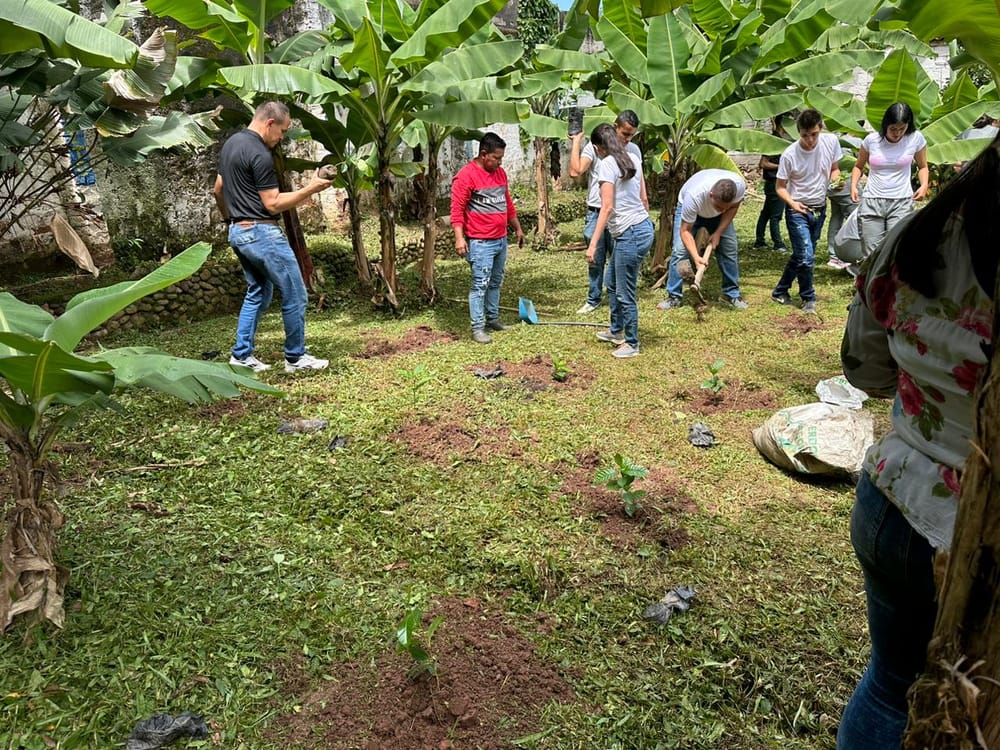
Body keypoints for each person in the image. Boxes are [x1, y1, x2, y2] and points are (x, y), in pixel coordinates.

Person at [836, 130, 1000, 750]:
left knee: (891, 682)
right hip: (967, 528)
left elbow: (866, 370)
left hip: (898, 499)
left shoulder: (920, 235)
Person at [214, 100, 332, 374]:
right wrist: (311, 188)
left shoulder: (231, 145)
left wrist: (231, 220)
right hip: (262, 232)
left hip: (238, 232)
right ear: (269, 123)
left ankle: (241, 356)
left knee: (258, 292)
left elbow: (218, 189)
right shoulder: (259, 153)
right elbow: (273, 203)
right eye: (282, 131)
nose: (281, 138)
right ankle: (296, 357)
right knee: (295, 293)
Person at [585, 124, 654, 359]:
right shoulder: (632, 156)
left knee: (625, 291)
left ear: (596, 148)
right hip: (642, 227)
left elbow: (607, 207)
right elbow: (644, 197)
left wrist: (593, 244)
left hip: (630, 233)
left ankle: (632, 343)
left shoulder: (606, 164)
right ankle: (616, 331)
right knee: (611, 281)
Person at [569, 110, 648, 314]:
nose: (627, 140)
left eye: (632, 135)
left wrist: (643, 218)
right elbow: (576, 171)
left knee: (618, 259)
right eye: (625, 134)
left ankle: (621, 300)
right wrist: (576, 140)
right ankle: (594, 298)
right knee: (595, 259)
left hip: (621, 216)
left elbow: (641, 192)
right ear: (615, 128)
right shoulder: (598, 149)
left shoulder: (633, 152)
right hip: (598, 211)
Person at [450, 132, 525, 344]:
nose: (500, 162)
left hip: (501, 239)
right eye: (497, 158)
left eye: (501, 158)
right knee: (479, 285)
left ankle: (493, 319)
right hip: (481, 242)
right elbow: (456, 210)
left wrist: (517, 228)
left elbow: (507, 203)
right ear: (484, 154)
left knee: (495, 282)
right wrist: (459, 238)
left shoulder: (500, 173)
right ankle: (477, 328)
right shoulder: (466, 177)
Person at [771, 108, 842, 314]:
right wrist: (793, 204)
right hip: (797, 210)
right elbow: (780, 187)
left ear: (820, 128)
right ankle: (808, 297)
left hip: (819, 209)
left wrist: (837, 179)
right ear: (798, 132)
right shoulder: (790, 154)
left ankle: (780, 291)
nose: (810, 140)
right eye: (805, 135)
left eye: (814, 134)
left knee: (802, 255)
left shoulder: (830, 142)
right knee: (806, 257)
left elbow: (834, 169)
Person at [657, 169, 748, 311]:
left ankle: (731, 295)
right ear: (711, 195)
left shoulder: (739, 186)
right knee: (680, 251)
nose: (722, 210)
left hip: (719, 220)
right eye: (718, 207)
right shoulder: (694, 196)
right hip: (692, 212)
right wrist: (696, 257)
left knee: (729, 249)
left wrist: (718, 232)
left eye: (725, 207)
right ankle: (674, 296)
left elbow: (732, 208)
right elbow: (685, 231)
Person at [849, 102, 929, 258]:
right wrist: (853, 186)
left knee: (896, 250)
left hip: (901, 202)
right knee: (871, 254)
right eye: (893, 129)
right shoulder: (871, 140)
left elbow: (923, 166)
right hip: (872, 201)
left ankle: (893, 282)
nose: (897, 133)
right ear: (886, 124)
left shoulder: (916, 138)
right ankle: (868, 281)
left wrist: (924, 185)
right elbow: (858, 166)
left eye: (902, 129)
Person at [753, 117, 789, 252]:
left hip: (774, 182)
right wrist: (782, 167)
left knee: (766, 213)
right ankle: (778, 244)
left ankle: (759, 241)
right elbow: (763, 163)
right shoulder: (773, 140)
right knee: (776, 215)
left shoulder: (781, 140)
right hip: (774, 182)